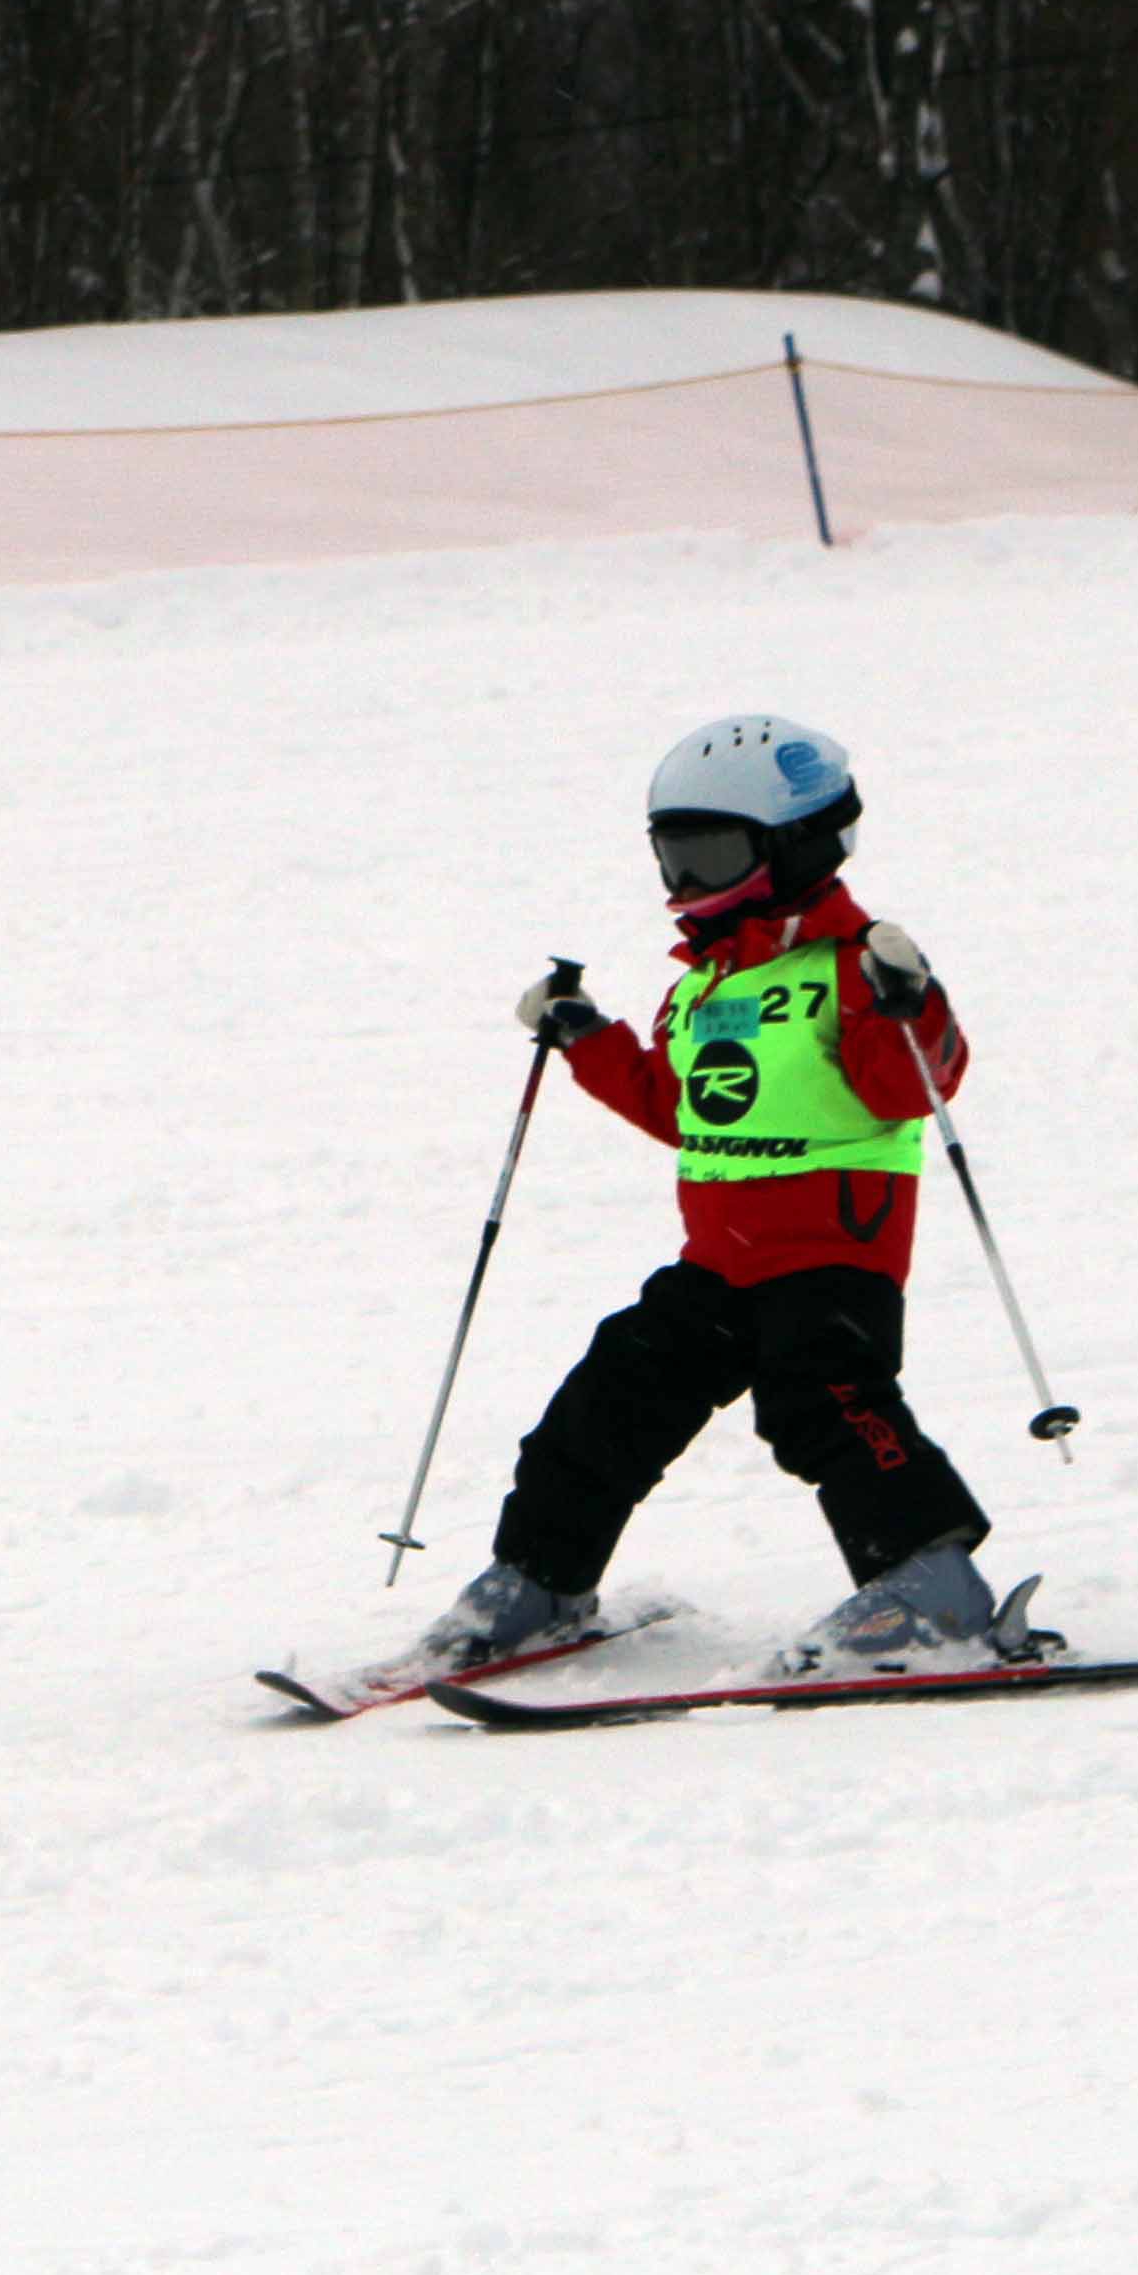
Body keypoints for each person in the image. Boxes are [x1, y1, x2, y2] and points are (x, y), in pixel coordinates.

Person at [424, 715, 1007, 1676]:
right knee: (612, 1395)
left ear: (798, 846)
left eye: (715, 855)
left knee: (823, 1404)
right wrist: (587, 1038)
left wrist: (910, 1003)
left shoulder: (856, 966)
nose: (688, 883)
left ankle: (932, 1592)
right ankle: (539, 1581)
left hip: (833, 1253)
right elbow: (682, 1109)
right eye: (675, 856)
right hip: (721, 1260)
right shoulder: (700, 985)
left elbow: (913, 1086)